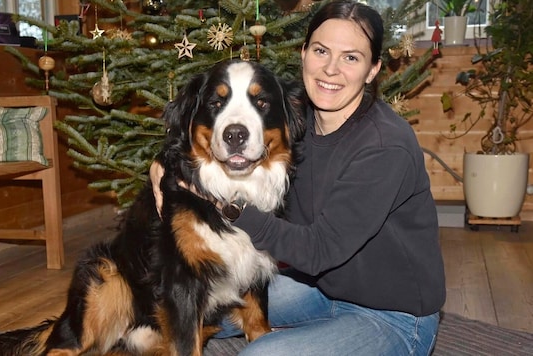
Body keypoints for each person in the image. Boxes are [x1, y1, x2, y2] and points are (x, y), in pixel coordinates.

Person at [151, 1, 446, 354]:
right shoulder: (290, 118)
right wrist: (163, 163)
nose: (331, 70)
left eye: (351, 57)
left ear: (372, 70)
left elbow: (319, 250)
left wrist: (230, 209)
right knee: (183, 311)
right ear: (304, 53)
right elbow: (199, 131)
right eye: (321, 51)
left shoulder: (385, 146)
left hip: (394, 315)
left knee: (262, 354)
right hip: (323, 289)